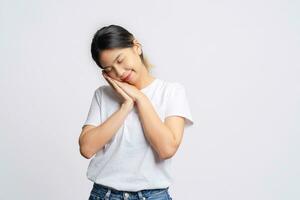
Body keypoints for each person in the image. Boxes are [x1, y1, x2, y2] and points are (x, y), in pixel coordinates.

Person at [78, 24, 194, 200]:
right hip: (105, 195)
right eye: (109, 69)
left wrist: (140, 99)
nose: (119, 72)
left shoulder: (171, 92)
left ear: (136, 47)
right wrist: (125, 106)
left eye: (120, 60)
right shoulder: (102, 95)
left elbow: (167, 149)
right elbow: (86, 148)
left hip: (153, 196)